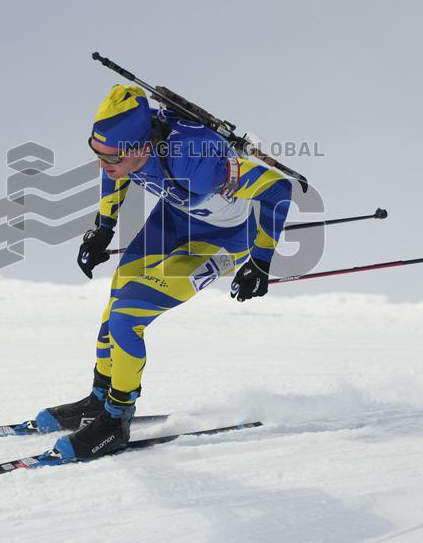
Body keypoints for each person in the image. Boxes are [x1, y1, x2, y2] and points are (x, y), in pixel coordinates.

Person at [36, 84, 293, 461]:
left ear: (142, 147)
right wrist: (103, 227)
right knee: (117, 299)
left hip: (219, 239)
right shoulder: (125, 151)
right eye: (96, 153)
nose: (102, 165)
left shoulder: (196, 161)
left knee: (128, 316)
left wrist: (260, 260)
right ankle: (99, 399)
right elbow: (114, 172)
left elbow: (277, 188)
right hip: (172, 221)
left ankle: (115, 422)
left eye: (112, 157)